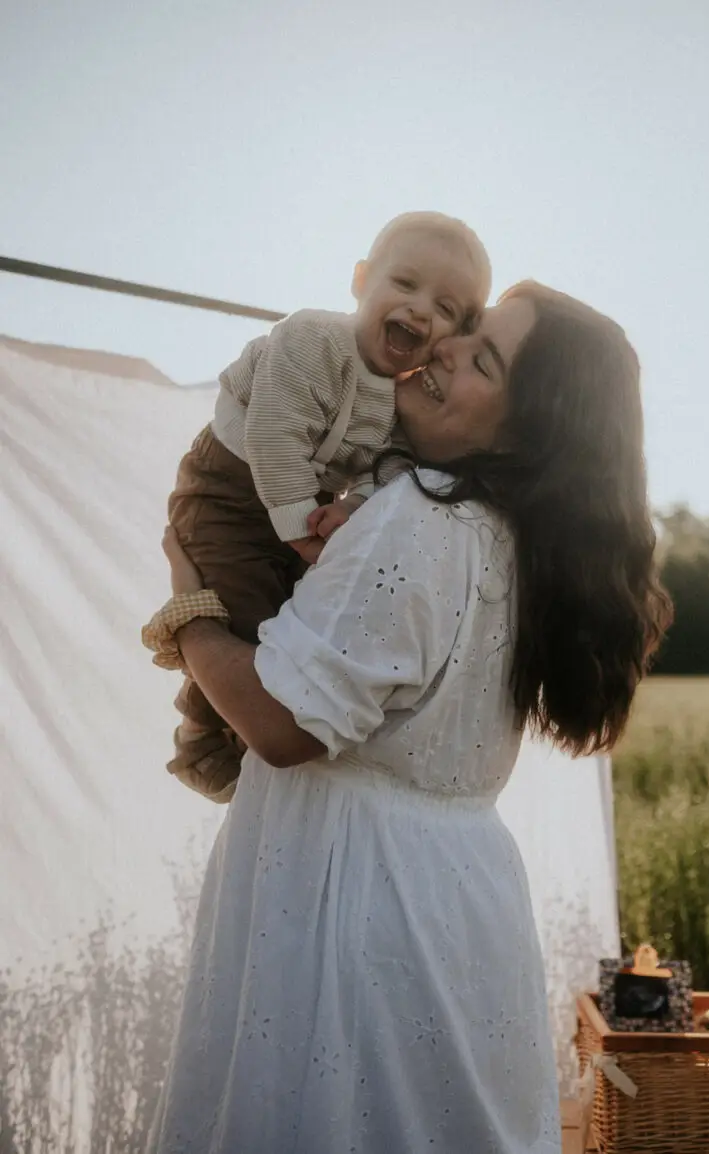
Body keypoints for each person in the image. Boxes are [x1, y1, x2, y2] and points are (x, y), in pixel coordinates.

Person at [143, 281, 672, 1153]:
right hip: (451, 894)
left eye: (485, 356)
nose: (450, 347)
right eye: (470, 331)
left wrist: (189, 606)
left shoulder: (425, 516)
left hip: (353, 894)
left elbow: (281, 727)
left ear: (526, 429)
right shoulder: (514, 539)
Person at [158, 211, 491, 803]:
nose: (419, 310)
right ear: (362, 279)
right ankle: (201, 741)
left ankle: (227, 734)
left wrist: (354, 504)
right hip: (228, 488)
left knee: (280, 626)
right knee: (240, 610)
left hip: (299, 504)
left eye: (444, 308)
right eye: (405, 284)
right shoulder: (312, 339)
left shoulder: (405, 393)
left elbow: (389, 464)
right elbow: (274, 435)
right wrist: (297, 528)